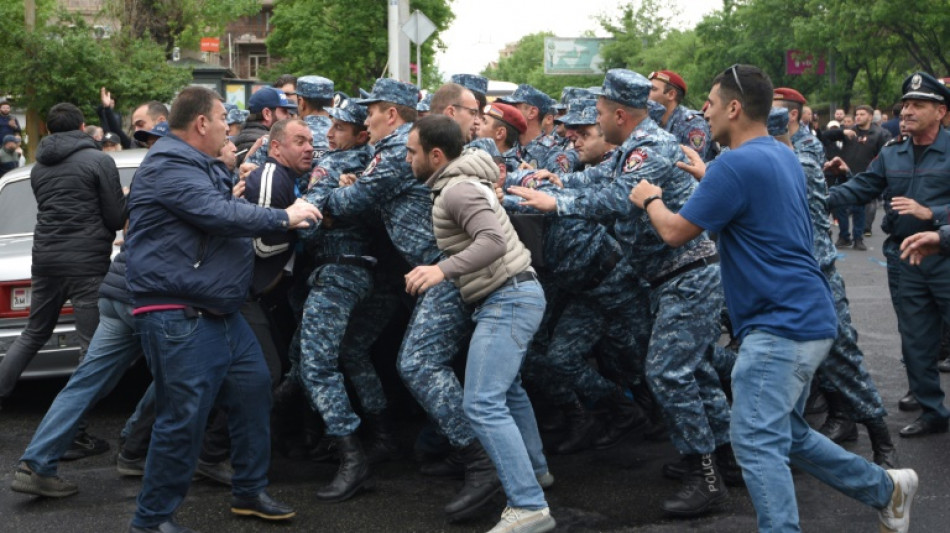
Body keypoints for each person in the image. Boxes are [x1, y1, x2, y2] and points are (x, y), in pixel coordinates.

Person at [629, 63, 917, 533]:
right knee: (786, 434)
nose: (704, 111)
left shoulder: (735, 165)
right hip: (808, 318)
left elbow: (675, 232)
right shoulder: (779, 153)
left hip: (779, 326)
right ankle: (887, 490)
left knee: (756, 443)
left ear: (735, 107)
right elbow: (747, 204)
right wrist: (708, 175)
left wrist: (648, 198)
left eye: (712, 102)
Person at [510, 69, 734, 517]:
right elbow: (598, 180)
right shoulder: (634, 146)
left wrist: (558, 203)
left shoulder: (650, 147)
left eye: (595, 115)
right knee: (698, 373)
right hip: (671, 276)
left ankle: (704, 478)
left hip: (686, 273)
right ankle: (725, 459)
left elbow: (616, 198)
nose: (591, 122)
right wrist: (557, 182)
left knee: (669, 372)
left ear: (618, 114)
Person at [124, 86, 320, 532]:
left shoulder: (194, 163)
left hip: (220, 311)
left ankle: (249, 491)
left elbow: (220, 208)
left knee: (255, 390)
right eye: (221, 120)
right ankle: (151, 521)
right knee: (182, 421)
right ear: (201, 124)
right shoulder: (170, 163)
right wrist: (285, 216)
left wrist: (228, 171)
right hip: (180, 312)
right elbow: (217, 214)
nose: (228, 128)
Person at [324, 78, 499, 521]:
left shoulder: (401, 150)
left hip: (446, 267)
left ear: (392, 114)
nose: (365, 120)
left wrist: (333, 186)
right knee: (461, 371)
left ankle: (481, 461)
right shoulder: (395, 150)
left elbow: (348, 202)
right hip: (438, 269)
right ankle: (471, 454)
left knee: (419, 364)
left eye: (371, 111)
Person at [406, 115, 554, 533]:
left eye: (411, 152)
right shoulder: (462, 182)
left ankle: (529, 506)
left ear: (436, 155)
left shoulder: (457, 190)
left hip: (508, 297)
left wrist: (441, 271)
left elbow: (490, 241)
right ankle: (536, 473)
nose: (407, 159)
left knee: (482, 403)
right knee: (507, 391)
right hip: (515, 294)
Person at [0, 103, 125, 465]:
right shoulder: (99, 161)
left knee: (33, 332)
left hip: (46, 260)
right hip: (86, 263)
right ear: (84, 127)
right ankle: (74, 432)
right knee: (91, 350)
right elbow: (115, 217)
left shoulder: (39, 168)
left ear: (50, 130)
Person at [827, 71, 950, 438]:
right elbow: (864, 186)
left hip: (946, 257)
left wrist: (935, 215)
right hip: (906, 261)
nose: (908, 111)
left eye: (918, 105)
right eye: (906, 104)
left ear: (940, 111)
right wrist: (815, 198)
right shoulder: (892, 152)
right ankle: (932, 411)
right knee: (915, 340)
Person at [824, 105, 891, 249]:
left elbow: (885, 154)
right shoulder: (850, 131)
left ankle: (858, 237)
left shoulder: (879, 133)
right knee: (840, 206)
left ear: (870, 117)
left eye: (862, 114)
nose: (858, 117)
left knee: (859, 208)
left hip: (862, 175)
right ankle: (843, 236)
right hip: (843, 173)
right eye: (857, 114)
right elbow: (825, 136)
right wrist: (842, 131)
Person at [648, 70, 711, 161]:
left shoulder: (692, 124)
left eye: (653, 89)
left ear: (671, 94)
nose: (646, 93)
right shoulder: (651, 121)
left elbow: (692, 167)